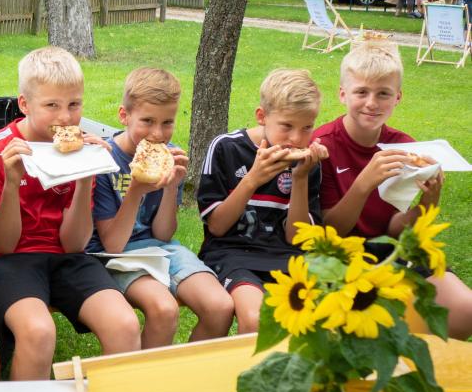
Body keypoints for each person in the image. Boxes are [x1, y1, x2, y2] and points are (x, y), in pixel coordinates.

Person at [0, 47, 140, 381]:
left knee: (124, 324)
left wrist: (86, 174)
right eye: (52, 105)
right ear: (24, 104)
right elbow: (2, 244)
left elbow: (75, 244)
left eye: (74, 105)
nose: (65, 118)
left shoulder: (85, 152)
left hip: (65, 256)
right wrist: (12, 183)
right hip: (7, 258)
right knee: (38, 332)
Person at [313, 39, 472, 339]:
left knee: (465, 310)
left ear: (397, 98)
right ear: (343, 94)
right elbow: (330, 229)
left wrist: (428, 200)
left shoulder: (404, 146)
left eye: (383, 94)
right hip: (338, 255)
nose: (372, 103)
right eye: (361, 92)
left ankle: (417, 367)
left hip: (387, 250)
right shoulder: (324, 145)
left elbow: (396, 229)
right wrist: (363, 183)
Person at [86, 68, 234, 349]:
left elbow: (164, 234)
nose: (157, 134)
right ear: (124, 115)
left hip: (159, 247)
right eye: (147, 121)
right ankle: (143, 386)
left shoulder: (171, 154)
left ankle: (180, 383)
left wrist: (170, 187)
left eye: (167, 122)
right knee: (164, 309)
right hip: (114, 255)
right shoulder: (104, 161)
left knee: (220, 306)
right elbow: (114, 244)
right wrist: (136, 190)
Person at [196, 69, 328, 334]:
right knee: (256, 319)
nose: (296, 138)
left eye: (307, 128)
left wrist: (300, 179)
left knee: (326, 318)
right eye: (287, 126)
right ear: (262, 116)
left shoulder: (308, 162)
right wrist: (252, 179)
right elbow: (217, 228)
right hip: (233, 254)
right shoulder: (226, 147)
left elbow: (297, 239)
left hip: (289, 258)